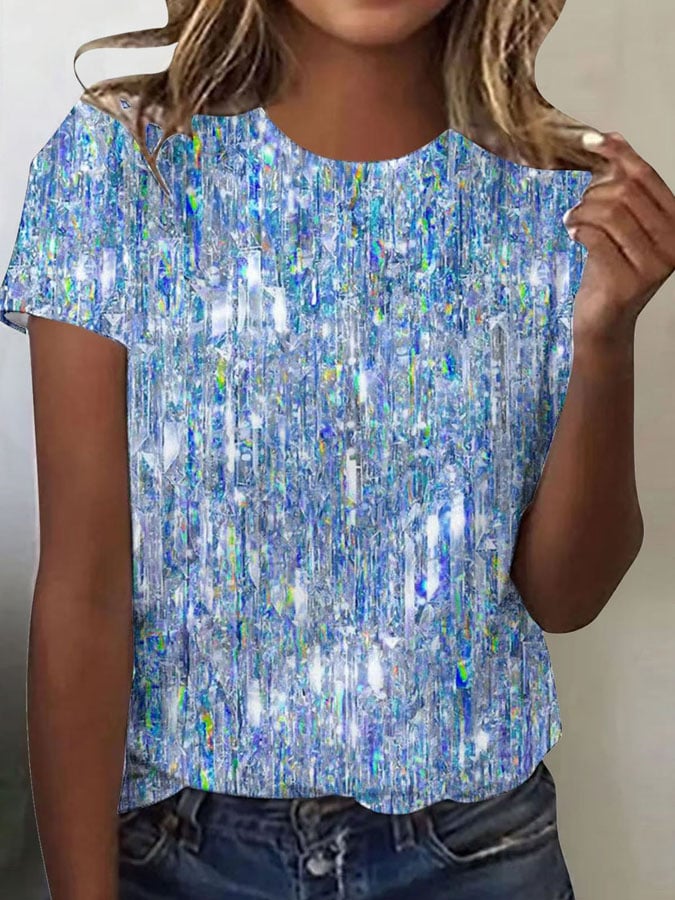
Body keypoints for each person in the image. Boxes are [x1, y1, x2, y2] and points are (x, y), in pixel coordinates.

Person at [2, 1, 672, 898]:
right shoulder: (120, 165)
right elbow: (83, 592)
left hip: (476, 850)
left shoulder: (558, 195)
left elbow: (564, 595)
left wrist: (604, 340)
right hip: (181, 852)